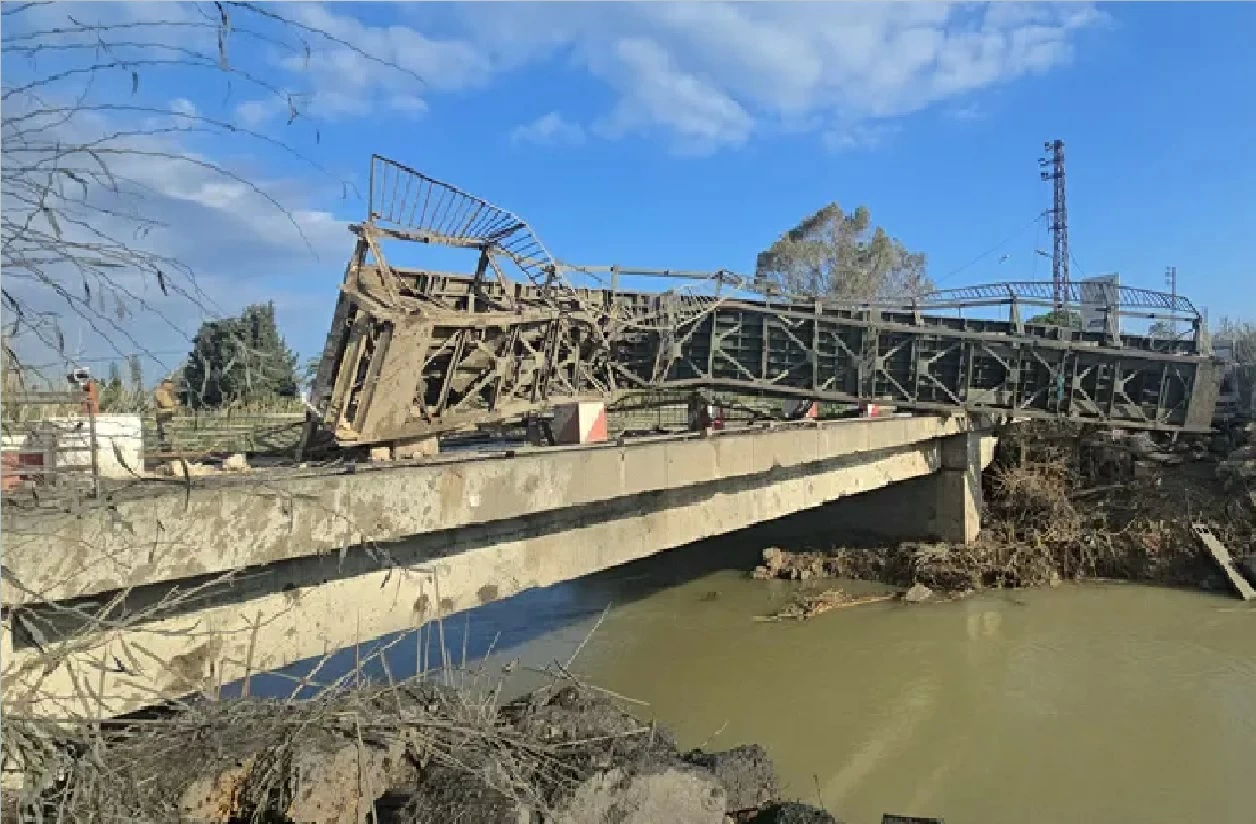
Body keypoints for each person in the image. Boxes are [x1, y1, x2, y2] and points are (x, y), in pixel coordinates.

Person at [153, 378, 178, 452]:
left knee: (169, 436)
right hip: (162, 417)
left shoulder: (171, 393)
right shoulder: (160, 392)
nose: (172, 386)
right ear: (165, 384)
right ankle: (165, 451)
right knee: (164, 435)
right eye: (170, 384)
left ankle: (168, 450)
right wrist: (173, 405)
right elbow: (165, 404)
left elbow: (176, 405)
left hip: (169, 417)